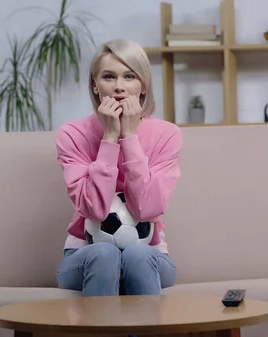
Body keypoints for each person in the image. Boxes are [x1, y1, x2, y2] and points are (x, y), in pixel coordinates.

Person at [54, 38, 182, 297]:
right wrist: (109, 139)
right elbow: (95, 209)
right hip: (84, 254)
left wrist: (130, 136)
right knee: (104, 253)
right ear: (95, 85)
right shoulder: (72, 134)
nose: (119, 87)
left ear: (143, 86)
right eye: (109, 77)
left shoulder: (167, 134)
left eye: (130, 76)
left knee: (136, 254)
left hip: (149, 253)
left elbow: (147, 209)